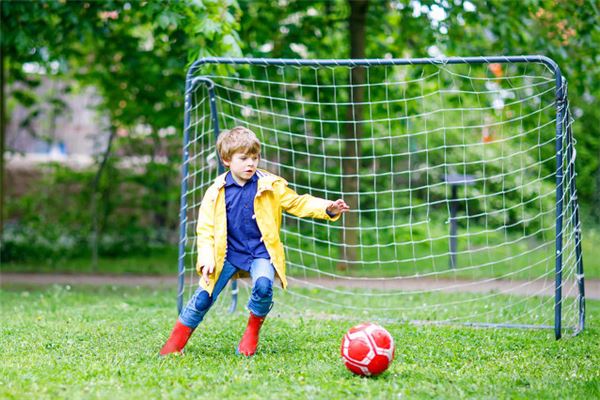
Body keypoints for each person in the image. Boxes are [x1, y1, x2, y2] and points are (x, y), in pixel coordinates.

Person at [160, 126, 350, 356]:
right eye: (243, 158)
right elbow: (205, 229)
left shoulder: (270, 184)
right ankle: (173, 347)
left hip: (261, 253)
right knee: (203, 298)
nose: (251, 163)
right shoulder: (215, 191)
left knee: (262, 286)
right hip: (227, 255)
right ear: (227, 160)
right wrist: (207, 257)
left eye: (255, 157)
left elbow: (298, 202)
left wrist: (327, 208)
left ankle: (252, 331)